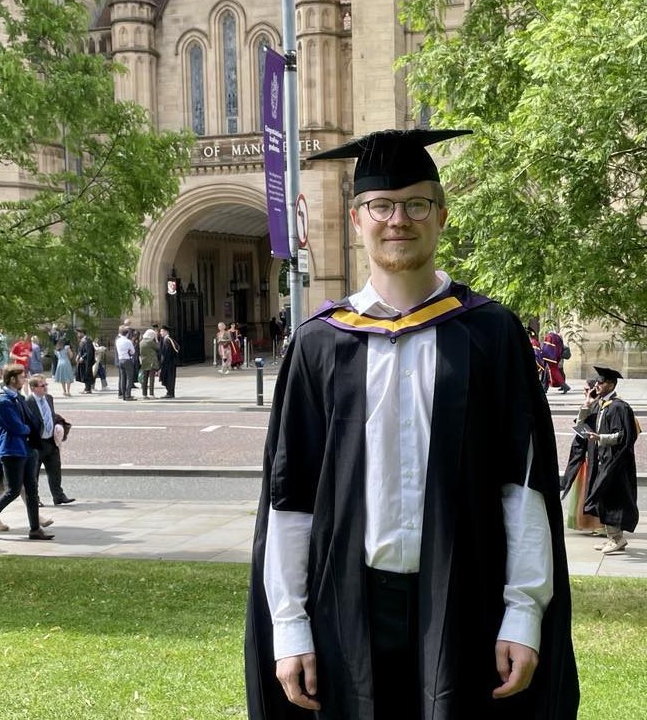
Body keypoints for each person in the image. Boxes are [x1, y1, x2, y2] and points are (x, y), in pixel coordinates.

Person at [245, 129, 578, 720]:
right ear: (356, 219)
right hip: (346, 603)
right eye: (381, 206)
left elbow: (523, 486)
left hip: (466, 599)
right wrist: (290, 625)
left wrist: (524, 611)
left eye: (417, 204)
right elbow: (289, 496)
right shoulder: (320, 344)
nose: (398, 219)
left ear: (441, 216)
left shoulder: (490, 334)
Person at [0, 364, 53, 540]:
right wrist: (29, 429)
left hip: (27, 448)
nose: (24, 380)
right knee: (13, 490)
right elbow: (16, 426)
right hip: (12, 449)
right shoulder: (3, 400)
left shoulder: (17, 397)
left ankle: (35, 529)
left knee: (32, 489)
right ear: (12, 379)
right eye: (21, 377)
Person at [573, 366, 639, 554]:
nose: (597, 385)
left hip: (613, 462)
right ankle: (612, 538)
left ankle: (617, 538)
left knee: (612, 498)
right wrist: (587, 404)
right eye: (597, 383)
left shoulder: (619, 407)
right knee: (602, 498)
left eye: (600, 383)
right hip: (600, 459)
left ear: (611, 384)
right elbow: (580, 425)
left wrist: (600, 438)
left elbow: (622, 436)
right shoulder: (599, 404)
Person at [558, 379, 604, 535]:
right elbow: (580, 422)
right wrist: (586, 405)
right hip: (589, 452)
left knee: (597, 487)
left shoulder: (603, 406)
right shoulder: (590, 404)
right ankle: (592, 523)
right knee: (588, 489)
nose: (584, 392)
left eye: (586, 389)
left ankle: (602, 524)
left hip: (599, 453)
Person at [24, 375, 76, 506]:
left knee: (55, 470)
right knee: (33, 473)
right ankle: (34, 498)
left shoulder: (49, 398)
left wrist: (57, 426)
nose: (45, 388)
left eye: (46, 385)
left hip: (51, 441)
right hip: (37, 443)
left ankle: (58, 496)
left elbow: (51, 415)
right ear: (33, 388)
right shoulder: (28, 402)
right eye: (42, 386)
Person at [115, 325, 136, 400]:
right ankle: (128, 395)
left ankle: (123, 394)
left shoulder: (118, 340)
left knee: (122, 378)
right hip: (127, 360)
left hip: (120, 359)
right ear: (127, 334)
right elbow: (133, 351)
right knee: (129, 378)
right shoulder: (128, 341)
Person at [158, 325, 180, 398]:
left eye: (161, 331)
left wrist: (163, 362)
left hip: (169, 363)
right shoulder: (166, 339)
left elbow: (167, 353)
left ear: (165, 332)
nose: (160, 333)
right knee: (168, 377)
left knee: (169, 378)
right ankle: (170, 392)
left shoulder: (168, 340)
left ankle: (170, 393)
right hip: (169, 363)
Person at [139, 326, 160, 398]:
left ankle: (144, 394)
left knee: (145, 379)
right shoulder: (150, 342)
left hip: (144, 362)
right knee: (151, 379)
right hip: (151, 362)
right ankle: (151, 393)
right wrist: (156, 340)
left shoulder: (141, 342)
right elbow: (158, 347)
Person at [76, 329, 95, 394]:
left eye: (78, 333)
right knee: (84, 374)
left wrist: (83, 357)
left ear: (82, 333)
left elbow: (88, 352)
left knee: (87, 374)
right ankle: (86, 388)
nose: (78, 335)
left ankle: (88, 389)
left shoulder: (87, 341)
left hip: (87, 361)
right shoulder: (82, 340)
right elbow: (81, 350)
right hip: (83, 361)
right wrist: (78, 355)